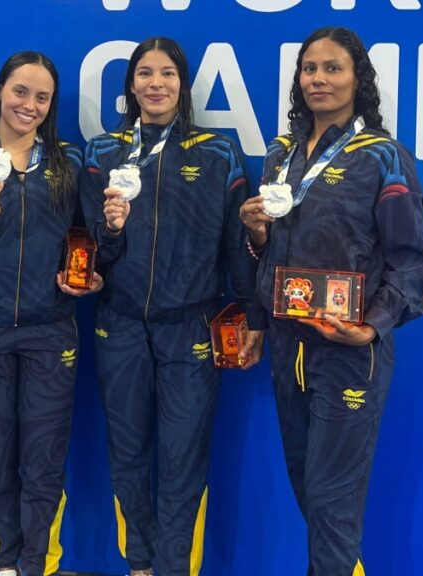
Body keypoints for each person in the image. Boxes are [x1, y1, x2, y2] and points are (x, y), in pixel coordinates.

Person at [240, 27, 423, 575]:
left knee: (332, 498)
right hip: (288, 346)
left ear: (357, 79)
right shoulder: (280, 154)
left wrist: (371, 326)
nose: (318, 79)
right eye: (310, 69)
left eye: (332, 68)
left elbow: (411, 261)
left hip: (348, 351)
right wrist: (255, 233)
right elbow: (269, 251)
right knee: (309, 486)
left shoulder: (383, 157)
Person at [81, 37, 265, 576]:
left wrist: (253, 313)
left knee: (183, 458)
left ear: (182, 84)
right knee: (128, 452)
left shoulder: (217, 152)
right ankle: (139, 564)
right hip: (118, 324)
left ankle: (174, 567)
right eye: (145, 73)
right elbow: (91, 249)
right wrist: (110, 231)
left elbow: (238, 244)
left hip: (191, 327)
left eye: (166, 73)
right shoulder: (102, 153)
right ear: (131, 84)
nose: (155, 83)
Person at [0, 51, 98, 576]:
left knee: (45, 460)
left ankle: (37, 565)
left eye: (42, 97)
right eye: (21, 92)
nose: (29, 105)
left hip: (51, 331)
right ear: (0, 92)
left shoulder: (69, 164)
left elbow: (88, 240)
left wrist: (90, 273)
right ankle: (7, 562)